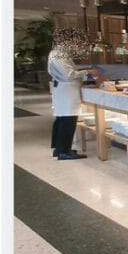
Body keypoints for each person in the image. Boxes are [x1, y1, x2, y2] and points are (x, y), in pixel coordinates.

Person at [47, 28, 102, 160]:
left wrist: (85, 73)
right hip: (66, 91)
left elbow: (70, 72)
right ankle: (63, 151)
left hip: (65, 90)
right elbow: (69, 75)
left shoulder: (60, 53)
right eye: (76, 41)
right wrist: (88, 71)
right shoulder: (58, 55)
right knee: (67, 121)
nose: (77, 45)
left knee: (63, 120)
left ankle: (60, 149)